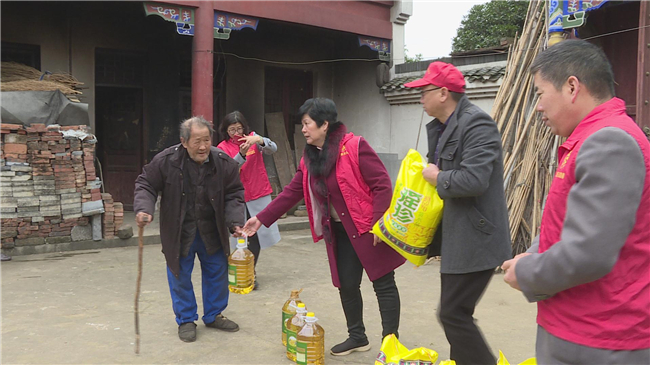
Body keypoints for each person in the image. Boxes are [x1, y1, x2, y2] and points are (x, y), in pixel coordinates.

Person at [502, 40, 650, 364]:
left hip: (600, 337)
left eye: (540, 94)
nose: (537, 107)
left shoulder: (609, 142)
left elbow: (588, 253)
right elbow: (566, 221)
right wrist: (535, 251)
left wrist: (527, 271)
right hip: (577, 328)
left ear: (572, 87)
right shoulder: (588, 140)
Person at [243, 98, 405, 356]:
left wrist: (378, 223)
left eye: (307, 124)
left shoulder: (354, 147)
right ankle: (357, 336)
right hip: (339, 232)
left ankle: (391, 342)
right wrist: (261, 218)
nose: (304, 129)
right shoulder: (310, 159)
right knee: (347, 285)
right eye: (303, 124)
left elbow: (382, 184)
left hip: (368, 229)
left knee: (383, 284)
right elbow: (292, 191)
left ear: (324, 124)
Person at [404, 62, 512, 365]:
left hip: (476, 238)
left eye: (424, 91)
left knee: (452, 314)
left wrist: (437, 178)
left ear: (442, 92)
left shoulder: (476, 124)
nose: (420, 97)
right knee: (457, 314)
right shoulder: (443, 126)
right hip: (457, 236)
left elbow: (475, 180)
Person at [134, 116, 246, 343]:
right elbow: (146, 183)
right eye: (197, 141)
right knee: (180, 274)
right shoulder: (166, 161)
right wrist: (144, 208)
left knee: (217, 271)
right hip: (179, 229)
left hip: (211, 228)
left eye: (207, 140)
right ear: (184, 142)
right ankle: (186, 319)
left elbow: (234, 193)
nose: (203, 146)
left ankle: (214, 315)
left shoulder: (223, 162)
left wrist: (235, 221)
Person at [217, 111, 281, 290]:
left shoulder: (253, 139)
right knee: (238, 235)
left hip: (257, 192)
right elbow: (227, 171)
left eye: (239, 129)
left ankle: (250, 272)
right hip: (235, 197)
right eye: (232, 130)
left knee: (257, 237)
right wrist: (241, 155)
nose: (236, 133)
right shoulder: (222, 147)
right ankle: (235, 271)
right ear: (226, 130)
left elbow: (273, 148)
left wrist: (260, 140)